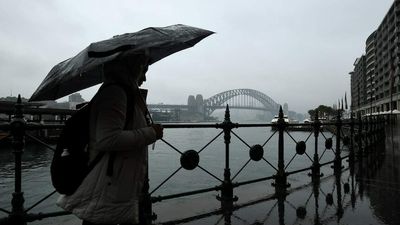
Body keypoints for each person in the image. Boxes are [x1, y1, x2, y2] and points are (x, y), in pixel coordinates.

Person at [57, 53, 163, 225]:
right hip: (107, 184)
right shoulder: (116, 93)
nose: (144, 77)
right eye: (143, 69)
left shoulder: (125, 93)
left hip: (114, 183)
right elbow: (108, 138)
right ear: (132, 66)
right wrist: (151, 133)